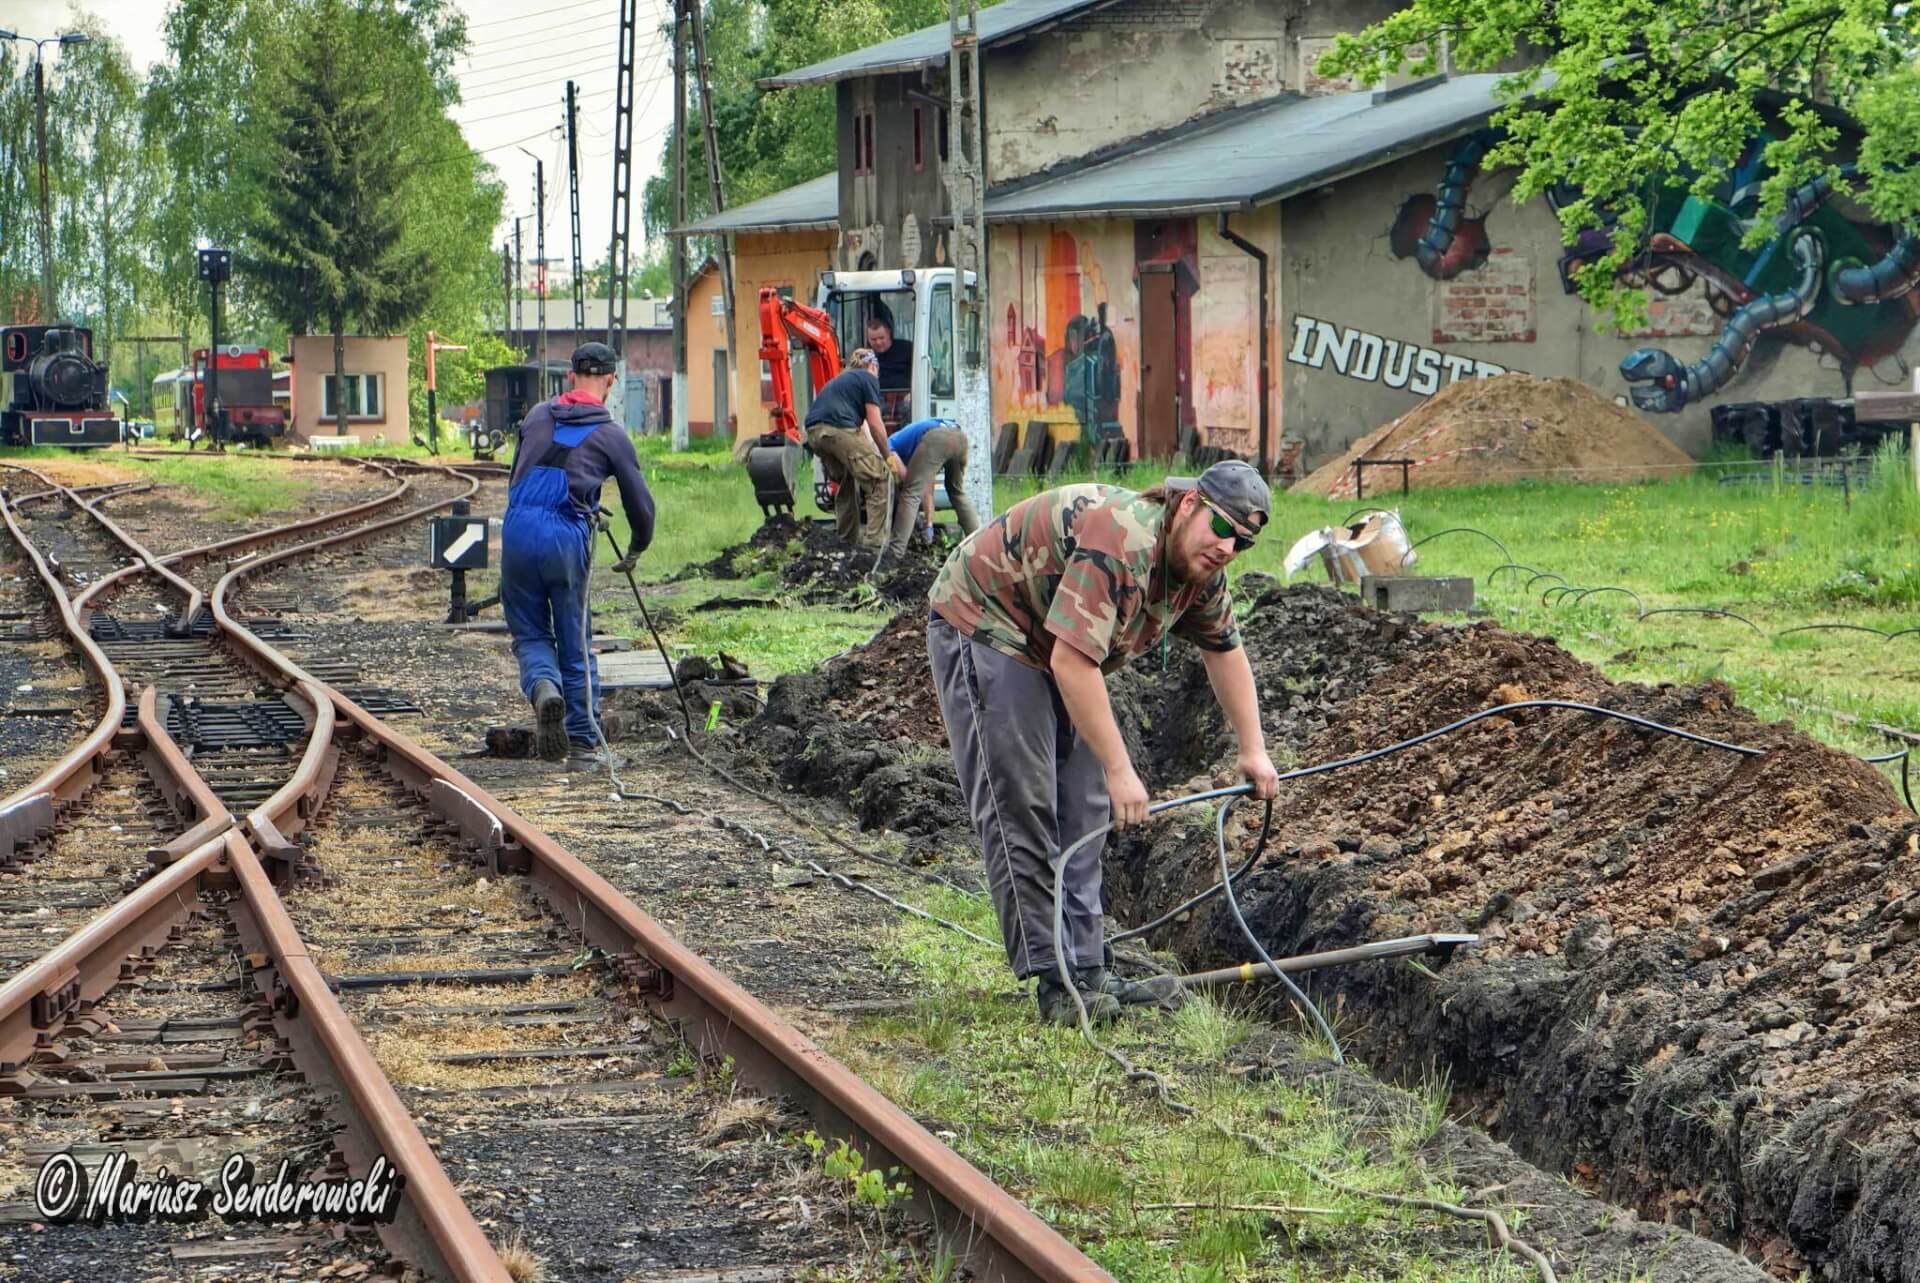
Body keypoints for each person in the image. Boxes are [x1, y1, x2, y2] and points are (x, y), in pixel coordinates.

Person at [926, 460, 1282, 1026]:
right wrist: (1121, 769)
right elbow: (1073, 661)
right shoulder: (1125, 537)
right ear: (1188, 506)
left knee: (1085, 807)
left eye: (1243, 542)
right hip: (988, 619)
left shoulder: (1200, 569)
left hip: (1052, 640)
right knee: (1024, 801)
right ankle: (1055, 978)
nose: (1228, 548)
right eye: (1222, 529)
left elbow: (1225, 651)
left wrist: (1253, 748)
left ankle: (1087, 968)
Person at [501, 342, 655, 763]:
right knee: (575, 641)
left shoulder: (535, 416)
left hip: (517, 532)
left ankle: (543, 688)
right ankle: (584, 742)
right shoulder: (611, 435)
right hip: (564, 539)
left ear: (570, 377)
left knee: (530, 635)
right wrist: (637, 547)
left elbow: (520, 475)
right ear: (611, 380)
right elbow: (640, 506)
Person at [803, 347, 905, 549]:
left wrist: (871, 454)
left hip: (815, 434)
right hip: (839, 430)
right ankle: (873, 547)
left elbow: (862, 432)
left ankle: (845, 542)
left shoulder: (840, 381)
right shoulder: (868, 378)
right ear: (873, 365)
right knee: (880, 479)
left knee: (847, 482)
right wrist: (888, 459)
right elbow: (875, 425)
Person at [884, 417, 980, 558]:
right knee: (957, 493)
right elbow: (928, 489)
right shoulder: (917, 448)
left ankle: (895, 552)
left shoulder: (889, 443)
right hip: (958, 436)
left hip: (937, 437)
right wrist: (929, 524)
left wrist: (898, 480)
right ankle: (978, 542)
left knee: (910, 494)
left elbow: (904, 477)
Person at [865, 313, 913, 391]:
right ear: (868, 339)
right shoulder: (866, 356)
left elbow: (929, 373)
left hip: (908, 399)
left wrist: (914, 392)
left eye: (881, 338)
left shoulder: (907, 348)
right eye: (873, 339)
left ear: (889, 333)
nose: (878, 342)